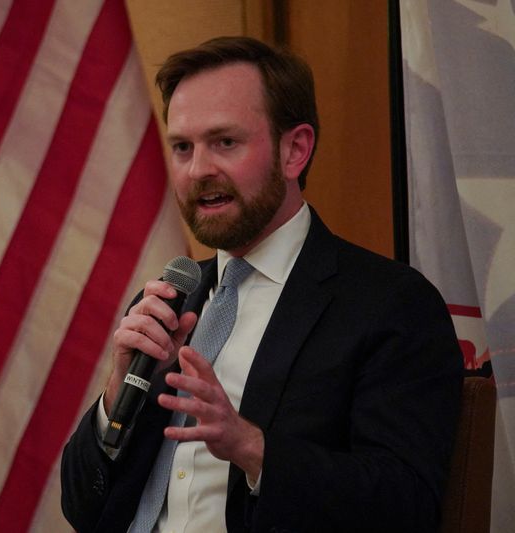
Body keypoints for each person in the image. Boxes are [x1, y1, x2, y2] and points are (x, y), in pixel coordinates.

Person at [60, 36, 463, 533]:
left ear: (294, 151)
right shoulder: (167, 302)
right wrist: (116, 393)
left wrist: (252, 450)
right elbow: (85, 510)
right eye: (182, 147)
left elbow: (407, 505)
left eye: (225, 142)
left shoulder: (389, 304)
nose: (198, 170)